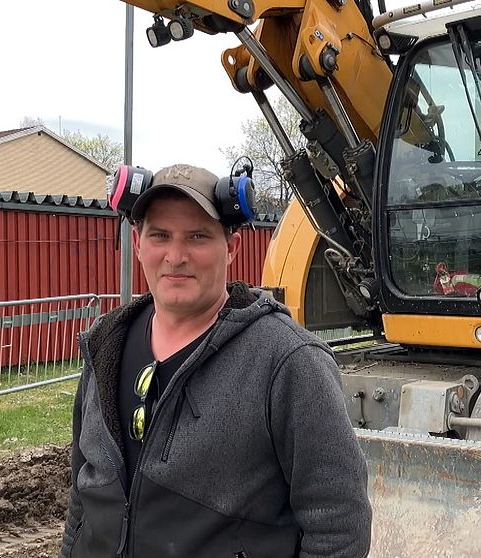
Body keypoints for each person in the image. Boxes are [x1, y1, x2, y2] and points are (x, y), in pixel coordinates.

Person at [59, 164, 372, 557]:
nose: (176, 256)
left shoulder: (287, 361)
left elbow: (339, 526)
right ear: (137, 244)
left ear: (231, 248)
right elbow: (81, 498)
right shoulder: (106, 344)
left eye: (197, 237)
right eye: (160, 235)